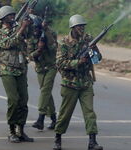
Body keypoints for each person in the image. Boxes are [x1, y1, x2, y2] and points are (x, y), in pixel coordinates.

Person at [53, 14, 103, 150]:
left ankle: (92, 142)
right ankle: (57, 139)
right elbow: (60, 62)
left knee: (90, 113)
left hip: (85, 83)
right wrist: (78, 62)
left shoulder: (88, 39)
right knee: (65, 114)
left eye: (83, 26)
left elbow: (98, 59)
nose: (82, 28)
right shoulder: (64, 43)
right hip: (70, 83)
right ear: (73, 28)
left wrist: (93, 50)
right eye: (79, 26)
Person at [0, 5, 33, 143]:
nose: (13, 17)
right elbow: (9, 43)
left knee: (23, 100)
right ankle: (11, 131)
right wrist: (21, 28)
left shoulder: (19, 28)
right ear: (3, 18)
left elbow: (31, 34)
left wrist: (28, 20)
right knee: (13, 100)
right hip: (7, 69)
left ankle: (21, 130)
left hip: (21, 68)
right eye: (10, 15)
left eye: (13, 15)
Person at [26, 15, 58, 130]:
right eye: (33, 29)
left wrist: (46, 33)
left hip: (51, 67)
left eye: (37, 28)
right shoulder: (31, 38)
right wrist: (38, 51)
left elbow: (54, 47)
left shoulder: (50, 33)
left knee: (45, 90)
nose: (35, 31)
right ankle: (54, 119)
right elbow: (29, 55)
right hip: (40, 69)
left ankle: (41, 118)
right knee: (47, 93)